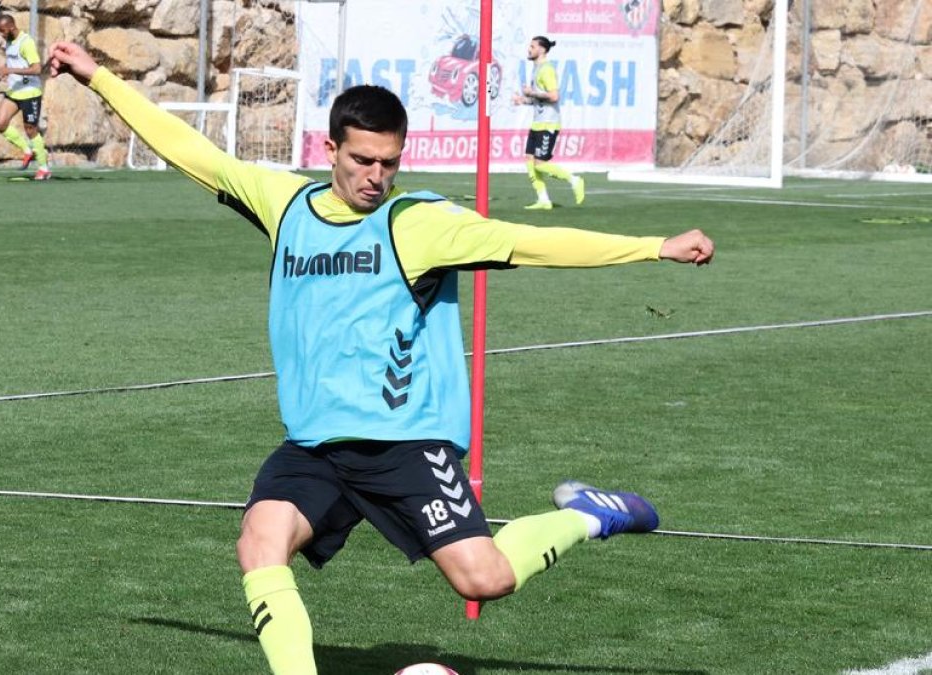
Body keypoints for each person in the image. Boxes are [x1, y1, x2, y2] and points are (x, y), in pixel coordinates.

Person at [47, 41, 714, 675]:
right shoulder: (287, 205)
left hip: (402, 443)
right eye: (362, 159)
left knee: (486, 577)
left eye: (389, 162)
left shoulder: (416, 223)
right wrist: (98, 79)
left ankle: (590, 514)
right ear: (329, 147)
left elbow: (529, 242)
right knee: (258, 542)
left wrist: (654, 245)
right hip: (314, 446)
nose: (376, 175)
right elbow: (190, 148)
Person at [512, 36, 581, 210]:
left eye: (532, 46)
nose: (529, 49)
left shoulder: (547, 70)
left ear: (542, 50)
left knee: (540, 164)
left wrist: (532, 93)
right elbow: (539, 99)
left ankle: (574, 180)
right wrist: (523, 100)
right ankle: (543, 200)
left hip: (549, 124)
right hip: (537, 123)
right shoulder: (536, 69)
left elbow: (554, 96)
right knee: (529, 159)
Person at [0, 14, 50, 180]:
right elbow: (16, 62)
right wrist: (5, 68)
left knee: (30, 130)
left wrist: (10, 71)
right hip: (14, 91)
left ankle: (44, 168)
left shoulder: (27, 42)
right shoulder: (10, 41)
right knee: (0, 123)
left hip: (30, 93)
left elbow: (36, 69)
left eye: (3, 31)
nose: (1, 35)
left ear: (11, 27)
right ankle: (27, 150)